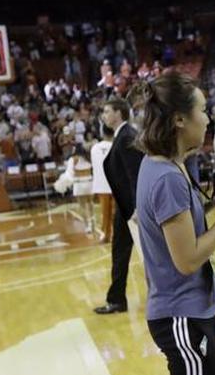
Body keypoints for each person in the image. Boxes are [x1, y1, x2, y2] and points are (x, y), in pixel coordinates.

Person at [132, 72, 215, 375]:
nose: (207, 120)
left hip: (191, 310)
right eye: (202, 111)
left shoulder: (161, 165)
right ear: (179, 119)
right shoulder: (166, 178)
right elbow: (188, 260)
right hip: (182, 315)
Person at [94, 97, 145, 315]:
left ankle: (117, 300)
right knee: (120, 252)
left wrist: (137, 207)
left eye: (107, 111)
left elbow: (136, 175)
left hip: (131, 208)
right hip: (125, 206)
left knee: (146, 254)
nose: (104, 115)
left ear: (118, 113)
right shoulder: (123, 135)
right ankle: (116, 299)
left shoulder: (127, 136)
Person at [90, 127, 115, 242]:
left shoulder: (94, 148)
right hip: (115, 185)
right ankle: (119, 235)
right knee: (117, 212)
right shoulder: (116, 145)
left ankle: (106, 235)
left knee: (105, 212)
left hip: (101, 185)